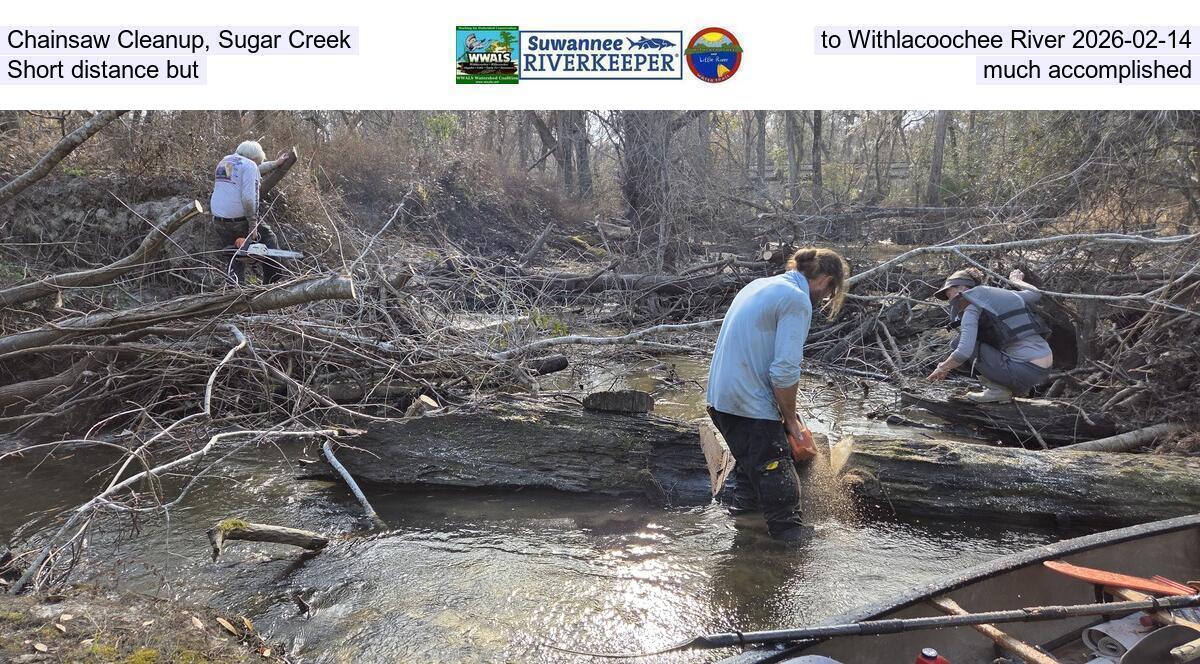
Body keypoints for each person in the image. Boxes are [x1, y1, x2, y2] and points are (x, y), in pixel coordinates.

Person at [706, 247, 850, 541]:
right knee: (784, 502)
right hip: (748, 406)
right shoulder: (796, 300)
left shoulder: (759, 285)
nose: (824, 298)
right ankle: (786, 564)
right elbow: (784, 371)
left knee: (750, 477)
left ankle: (744, 543)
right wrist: (791, 422)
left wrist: (786, 415)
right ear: (825, 280)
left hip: (720, 402)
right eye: (828, 292)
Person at [925, 267, 1053, 403]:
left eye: (948, 293)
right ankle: (1011, 388)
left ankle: (998, 390)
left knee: (958, 344)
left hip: (1024, 369)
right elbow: (1035, 293)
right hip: (1044, 368)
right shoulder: (996, 298)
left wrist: (942, 368)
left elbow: (963, 352)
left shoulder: (971, 309)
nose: (949, 300)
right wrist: (1015, 281)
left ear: (962, 289)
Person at [209, 140, 288, 285]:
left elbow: (254, 169)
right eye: (256, 162)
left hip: (219, 220)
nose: (256, 164)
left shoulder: (227, 161)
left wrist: (275, 164)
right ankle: (272, 283)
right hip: (240, 220)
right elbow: (248, 199)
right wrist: (253, 225)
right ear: (253, 158)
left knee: (234, 256)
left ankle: (235, 291)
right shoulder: (249, 165)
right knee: (269, 238)